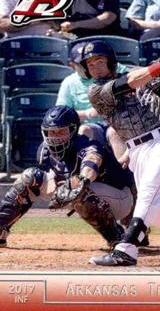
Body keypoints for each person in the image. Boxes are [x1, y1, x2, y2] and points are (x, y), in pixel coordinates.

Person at [81, 39, 160, 266]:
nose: (95, 66)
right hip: (137, 149)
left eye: (99, 60)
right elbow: (128, 83)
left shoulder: (140, 75)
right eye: (90, 63)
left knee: (148, 194)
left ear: (110, 61)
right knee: (158, 213)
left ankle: (126, 250)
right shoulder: (95, 91)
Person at [0, 105, 135, 249]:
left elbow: (92, 162)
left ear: (73, 130)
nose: (55, 137)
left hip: (121, 199)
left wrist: (82, 180)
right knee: (29, 176)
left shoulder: (88, 145)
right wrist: (54, 185)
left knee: (78, 186)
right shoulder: (44, 150)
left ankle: (115, 236)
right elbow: (52, 173)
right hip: (81, 194)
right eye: (51, 132)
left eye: (61, 132)